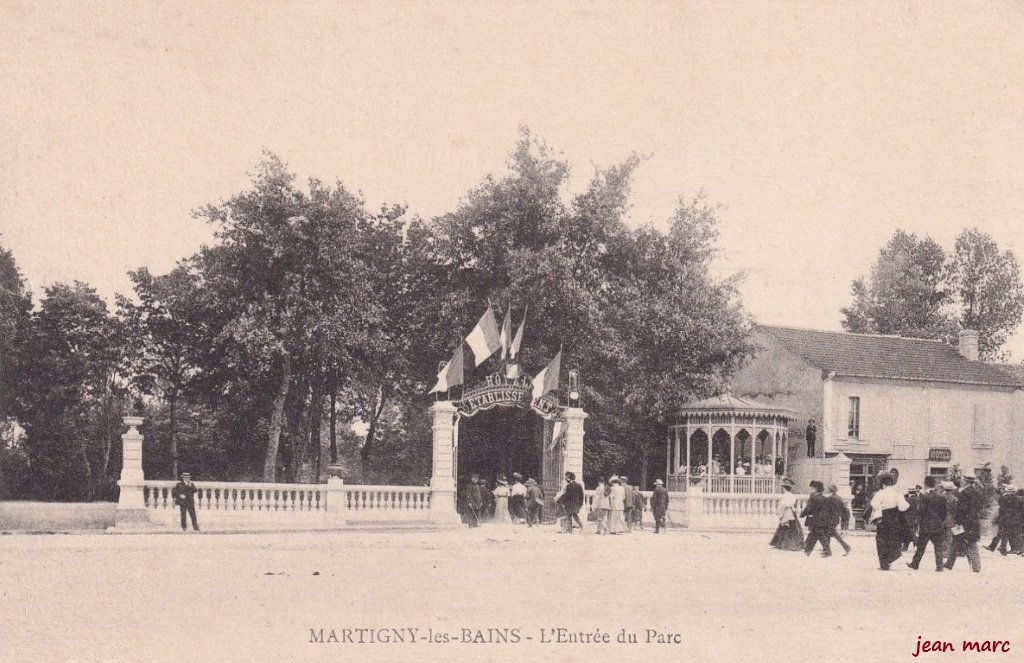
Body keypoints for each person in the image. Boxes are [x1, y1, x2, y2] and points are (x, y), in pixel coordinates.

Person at [869, 472, 909, 570]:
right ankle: (894, 556)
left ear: (883, 484)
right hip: (894, 518)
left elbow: (874, 504)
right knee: (893, 538)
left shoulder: (880, 493)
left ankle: (884, 564)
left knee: (881, 540)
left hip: (883, 518)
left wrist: (880, 508)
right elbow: (903, 507)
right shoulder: (898, 494)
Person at [907, 476, 947, 572]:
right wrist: (940, 521)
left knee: (921, 546)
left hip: (926, 525)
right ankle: (940, 566)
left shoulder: (925, 497)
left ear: (926, 484)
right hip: (938, 525)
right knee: (938, 547)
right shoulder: (941, 497)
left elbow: (921, 510)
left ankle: (915, 564)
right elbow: (944, 513)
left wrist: (918, 522)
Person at [945, 476, 982, 572]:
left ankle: (949, 564)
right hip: (973, 522)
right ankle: (976, 566)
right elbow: (979, 507)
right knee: (970, 543)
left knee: (957, 542)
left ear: (966, 481)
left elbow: (961, 510)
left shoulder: (963, 493)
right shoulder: (977, 492)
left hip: (963, 523)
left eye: (963, 480)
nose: (961, 482)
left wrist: (957, 522)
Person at [986, 485, 1021, 555]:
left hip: (1004, 518)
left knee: (1003, 533)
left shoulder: (1003, 498)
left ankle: (1002, 549)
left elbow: (1001, 508)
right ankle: (1011, 548)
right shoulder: (1018, 499)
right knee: (1009, 533)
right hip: (1014, 519)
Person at [801, 481, 833, 557]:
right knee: (814, 535)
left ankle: (827, 551)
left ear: (816, 489)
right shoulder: (825, 498)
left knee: (819, 536)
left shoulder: (814, 498)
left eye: (812, 488)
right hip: (822, 520)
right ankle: (807, 550)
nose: (811, 490)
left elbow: (809, 508)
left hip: (815, 520)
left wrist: (802, 514)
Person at [769, 479, 803, 551]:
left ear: (784, 488)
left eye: (783, 488)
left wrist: (780, 514)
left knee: (785, 527)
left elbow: (782, 506)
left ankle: (784, 544)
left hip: (787, 512)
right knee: (792, 528)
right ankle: (793, 543)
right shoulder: (792, 496)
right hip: (791, 512)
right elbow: (793, 504)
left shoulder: (785, 496)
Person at [825, 484, 852, 556]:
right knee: (828, 534)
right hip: (836, 519)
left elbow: (826, 510)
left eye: (828, 488)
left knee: (834, 534)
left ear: (830, 490)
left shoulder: (830, 498)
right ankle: (827, 550)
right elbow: (844, 509)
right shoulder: (839, 498)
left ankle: (847, 547)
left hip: (829, 519)